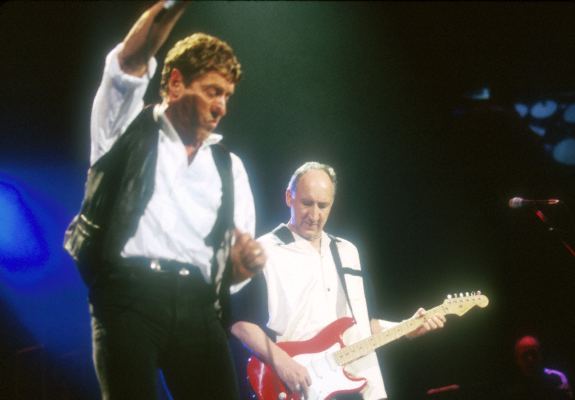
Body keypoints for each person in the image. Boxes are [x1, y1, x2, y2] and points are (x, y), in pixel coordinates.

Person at [63, 1, 266, 399]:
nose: (221, 107)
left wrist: (241, 270)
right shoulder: (124, 126)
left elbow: (232, 278)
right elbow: (131, 59)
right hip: (128, 298)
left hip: (198, 309)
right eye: (212, 91)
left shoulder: (230, 168)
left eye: (227, 95)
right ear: (175, 84)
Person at [230, 161, 446, 400]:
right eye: (307, 203)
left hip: (362, 383)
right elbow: (240, 323)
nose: (314, 215)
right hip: (303, 386)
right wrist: (282, 362)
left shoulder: (348, 251)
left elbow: (364, 322)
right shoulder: (262, 251)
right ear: (288, 198)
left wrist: (406, 327)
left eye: (323, 206)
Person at [507, 335, 573, 400]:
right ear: (517, 359)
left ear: (540, 355)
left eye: (533, 353)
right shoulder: (511, 383)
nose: (530, 358)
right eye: (525, 355)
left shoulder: (555, 378)